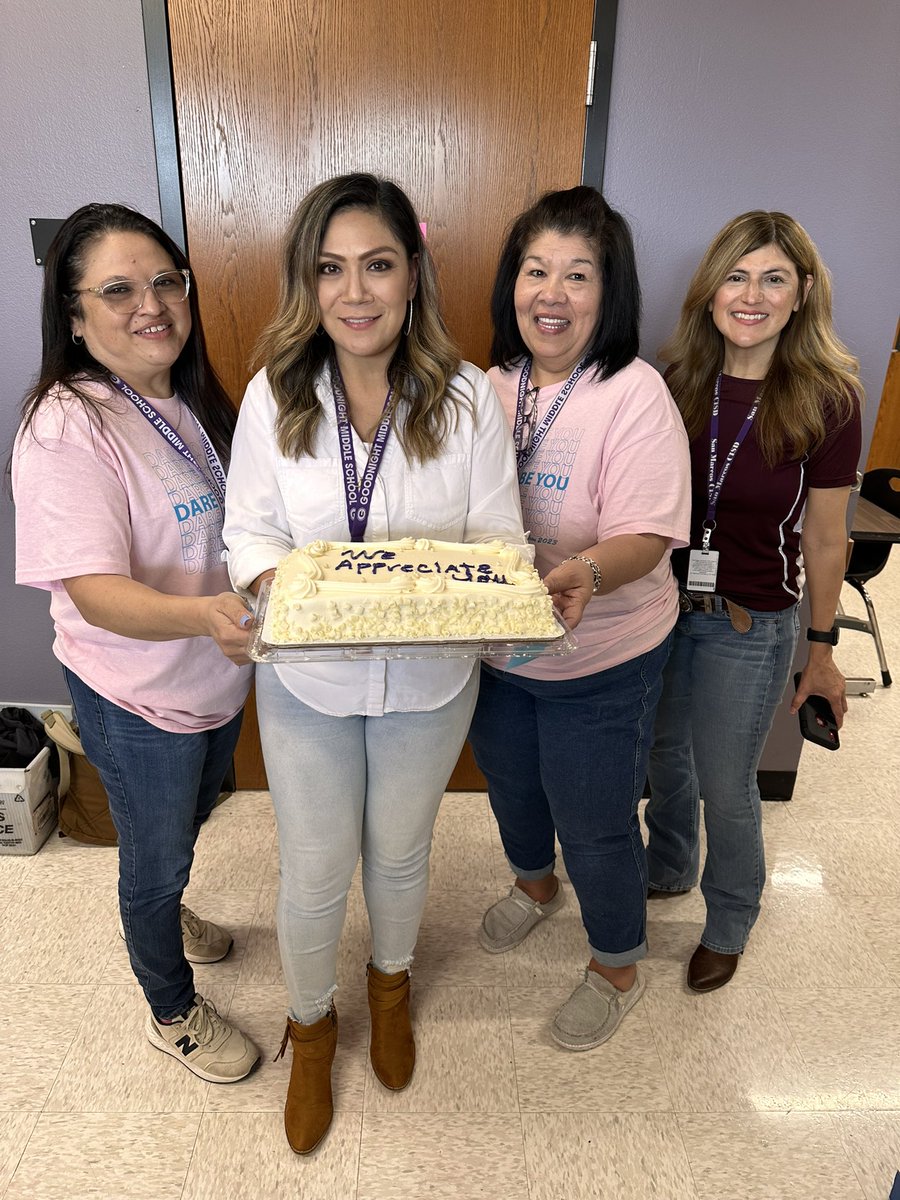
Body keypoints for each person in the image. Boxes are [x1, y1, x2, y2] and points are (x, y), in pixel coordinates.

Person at [223, 173, 527, 1153]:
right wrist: (304, 595)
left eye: (379, 266)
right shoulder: (276, 397)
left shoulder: (469, 396)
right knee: (313, 872)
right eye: (331, 269)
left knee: (400, 855)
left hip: (430, 683)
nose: (356, 294)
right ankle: (312, 1029)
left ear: (413, 275)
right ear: (308, 285)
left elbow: (496, 538)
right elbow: (248, 535)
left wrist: (506, 601)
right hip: (308, 682)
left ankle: (387, 987)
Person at [12, 204, 259, 1080]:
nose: (150, 303)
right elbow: (94, 592)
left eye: (164, 281)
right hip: (137, 689)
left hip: (216, 676)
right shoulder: (65, 426)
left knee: (188, 822)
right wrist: (205, 618)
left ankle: (173, 895)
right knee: (151, 861)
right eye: (116, 289)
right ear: (74, 317)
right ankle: (170, 1007)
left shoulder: (187, 398)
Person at [465, 186, 691, 1051]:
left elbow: (646, 534)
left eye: (578, 275)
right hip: (500, 652)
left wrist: (586, 570)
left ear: (611, 293)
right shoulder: (488, 386)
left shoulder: (634, 394)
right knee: (514, 787)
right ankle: (533, 887)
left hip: (603, 653)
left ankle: (617, 964)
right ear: (510, 285)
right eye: (535, 271)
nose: (551, 294)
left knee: (594, 817)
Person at [644, 211, 863, 992]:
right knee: (663, 759)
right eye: (737, 275)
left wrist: (824, 649)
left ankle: (731, 915)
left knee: (725, 783)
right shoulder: (673, 383)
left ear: (802, 294)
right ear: (710, 292)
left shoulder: (827, 399)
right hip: (659, 612)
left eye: (774, 278)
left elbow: (827, 537)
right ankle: (666, 866)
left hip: (750, 623)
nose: (752, 294)